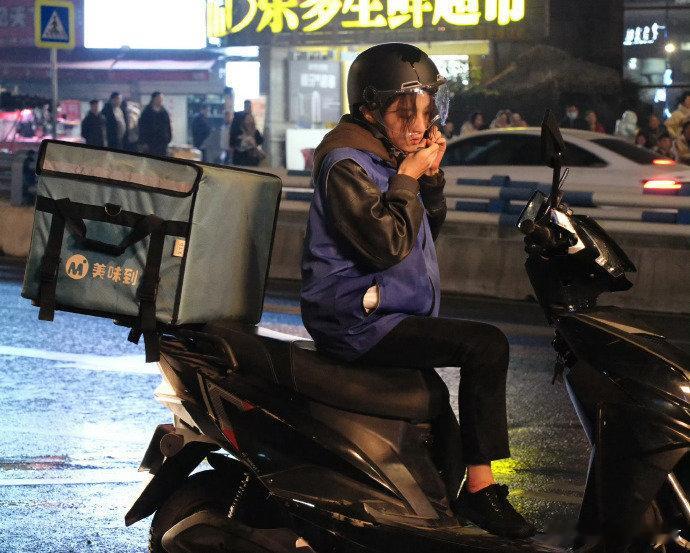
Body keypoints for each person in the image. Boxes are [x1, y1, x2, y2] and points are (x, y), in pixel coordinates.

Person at [300, 42, 535, 540]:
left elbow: (422, 234)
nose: (418, 126)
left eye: (426, 114)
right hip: (355, 319)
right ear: (369, 110)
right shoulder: (346, 162)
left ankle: (442, 510)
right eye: (405, 114)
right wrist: (407, 177)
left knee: (441, 426)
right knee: (485, 345)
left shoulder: (385, 157)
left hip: (390, 315)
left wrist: (427, 181)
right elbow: (386, 245)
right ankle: (482, 491)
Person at [138, 91, 172, 157]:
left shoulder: (164, 111)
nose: (160, 101)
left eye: (162, 99)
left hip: (162, 141)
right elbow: (142, 127)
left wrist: (169, 137)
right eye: (159, 98)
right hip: (150, 141)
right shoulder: (146, 112)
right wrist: (143, 141)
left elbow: (168, 125)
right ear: (154, 99)